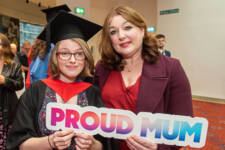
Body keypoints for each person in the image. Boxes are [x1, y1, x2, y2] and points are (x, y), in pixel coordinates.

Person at [6, 11, 111, 150]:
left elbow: (105, 145)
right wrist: (50, 141)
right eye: (65, 53)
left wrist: (92, 145)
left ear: (85, 58)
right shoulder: (36, 91)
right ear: (56, 56)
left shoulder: (93, 94)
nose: (73, 60)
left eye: (79, 53)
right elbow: (18, 144)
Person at [93, 6, 193, 150]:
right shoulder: (102, 68)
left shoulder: (171, 68)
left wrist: (158, 147)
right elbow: (95, 113)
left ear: (142, 30)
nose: (121, 36)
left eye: (127, 28)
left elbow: (184, 126)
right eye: (113, 32)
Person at [0, 33, 24, 150]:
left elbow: (20, 84)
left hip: (6, 108)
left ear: (4, 47)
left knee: (5, 142)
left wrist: (5, 80)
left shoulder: (14, 65)